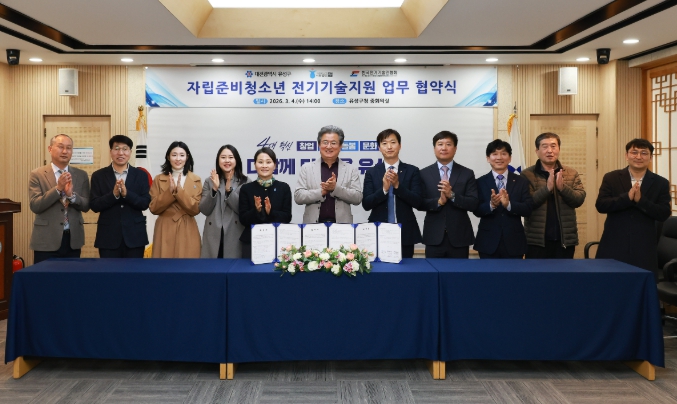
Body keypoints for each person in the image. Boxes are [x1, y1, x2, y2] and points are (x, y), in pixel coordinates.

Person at [595, 138, 671, 273]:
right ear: (626, 156)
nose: (639, 157)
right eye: (634, 152)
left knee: (642, 283)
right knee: (610, 282)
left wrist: (641, 201)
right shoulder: (611, 178)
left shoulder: (661, 183)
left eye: (644, 153)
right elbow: (601, 205)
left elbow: (664, 213)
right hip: (614, 243)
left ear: (650, 157)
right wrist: (627, 198)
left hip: (644, 246)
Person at [522, 132, 585, 258]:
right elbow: (527, 204)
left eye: (553, 146)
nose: (549, 150)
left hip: (565, 240)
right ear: (537, 151)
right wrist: (547, 189)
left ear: (559, 149)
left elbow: (578, 200)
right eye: (545, 146)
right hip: (536, 241)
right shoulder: (527, 175)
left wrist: (562, 188)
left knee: (564, 271)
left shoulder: (571, 173)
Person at [29, 134, 90, 264]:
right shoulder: (37, 174)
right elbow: (35, 205)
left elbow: (86, 205)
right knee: (45, 276)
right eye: (60, 147)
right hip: (46, 240)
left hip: (72, 239)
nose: (65, 151)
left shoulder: (81, 175)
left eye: (69, 148)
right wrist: (58, 189)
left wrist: (71, 196)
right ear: (50, 149)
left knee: (71, 276)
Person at [362, 129, 422, 258]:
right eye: (384, 143)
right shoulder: (372, 172)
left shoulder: (412, 171)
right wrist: (384, 190)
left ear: (400, 145)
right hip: (378, 230)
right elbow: (366, 204)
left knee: (406, 268)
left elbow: (418, 201)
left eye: (393, 142)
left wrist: (397, 186)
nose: (389, 147)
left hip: (405, 231)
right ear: (379, 148)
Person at [419, 131, 478, 258]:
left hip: (459, 237)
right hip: (433, 236)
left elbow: (473, 203)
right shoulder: (423, 173)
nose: (444, 148)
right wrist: (439, 202)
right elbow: (419, 203)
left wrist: (452, 195)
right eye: (440, 144)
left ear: (455, 148)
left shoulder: (467, 173)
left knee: (459, 271)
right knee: (433, 270)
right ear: (434, 148)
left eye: (448, 144)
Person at [90, 135, 151, 258]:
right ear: (111, 152)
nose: (121, 153)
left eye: (125, 149)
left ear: (130, 152)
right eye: (117, 148)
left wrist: (127, 194)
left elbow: (145, 203)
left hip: (135, 237)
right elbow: (94, 205)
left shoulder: (141, 175)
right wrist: (113, 195)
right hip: (108, 237)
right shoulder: (98, 176)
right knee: (109, 270)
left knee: (134, 270)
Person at [473, 139, 533, 258]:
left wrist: (509, 205)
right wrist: (491, 205)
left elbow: (528, 208)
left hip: (514, 241)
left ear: (510, 158)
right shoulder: (479, 182)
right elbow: (476, 209)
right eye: (494, 154)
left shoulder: (521, 181)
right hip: (487, 241)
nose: (499, 157)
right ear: (488, 158)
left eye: (504, 154)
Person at [294, 125, 362, 223]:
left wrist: (335, 189)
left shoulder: (351, 169)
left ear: (340, 146)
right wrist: (322, 192)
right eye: (325, 142)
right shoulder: (307, 168)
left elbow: (357, 198)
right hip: (313, 226)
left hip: (342, 226)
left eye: (333, 143)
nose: (329, 146)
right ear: (319, 144)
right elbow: (298, 196)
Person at [149, 141, 202, 258]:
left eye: (182, 155)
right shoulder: (159, 179)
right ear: (168, 157)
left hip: (188, 226)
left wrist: (179, 192)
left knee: (188, 266)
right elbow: (153, 208)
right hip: (165, 227)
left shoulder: (196, 179)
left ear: (187, 157)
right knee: (164, 266)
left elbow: (196, 209)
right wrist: (169, 193)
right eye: (174, 155)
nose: (178, 159)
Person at [239, 147, 292, 258]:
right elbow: (243, 219)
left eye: (268, 162)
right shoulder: (246, 188)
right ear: (255, 165)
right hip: (251, 242)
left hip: (278, 241)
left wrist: (270, 212)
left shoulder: (283, 188)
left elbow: (287, 217)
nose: (264, 166)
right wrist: (256, 211)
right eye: (260, 162)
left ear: (275, 165)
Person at [200, 145, 249, 258]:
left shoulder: (245, 182)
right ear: (218, 160)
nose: (227, 160)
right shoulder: (209, 181)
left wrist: (229, 191)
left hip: (235, 234)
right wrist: (214, 188)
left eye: (231, 157)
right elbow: (204, 209)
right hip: (213, 235)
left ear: (236, 160)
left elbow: (242, 210)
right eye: (223, 157)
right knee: (212, 268)